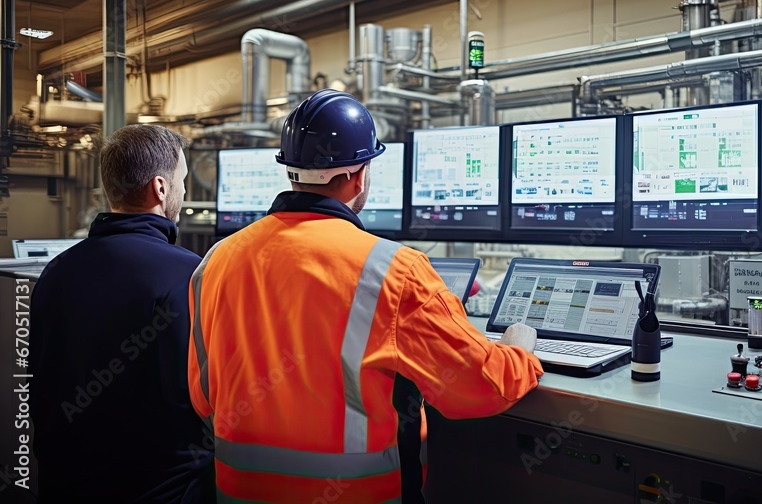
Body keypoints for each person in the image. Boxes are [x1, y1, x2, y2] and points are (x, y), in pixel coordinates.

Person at [188, 89, 542, 503]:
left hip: (238, 495)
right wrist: (518, 350)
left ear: (291, 172)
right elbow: (480, 387)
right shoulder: (395, 269)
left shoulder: (215, 260)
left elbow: (203, 398)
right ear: (359, 176)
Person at [28, 124, 215, 503]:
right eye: (181, 181)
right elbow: (198, 399)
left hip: (62, 486)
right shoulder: (187, 274)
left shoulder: (56, 272)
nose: (183, 190)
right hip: (161, 490)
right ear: (161, 188)